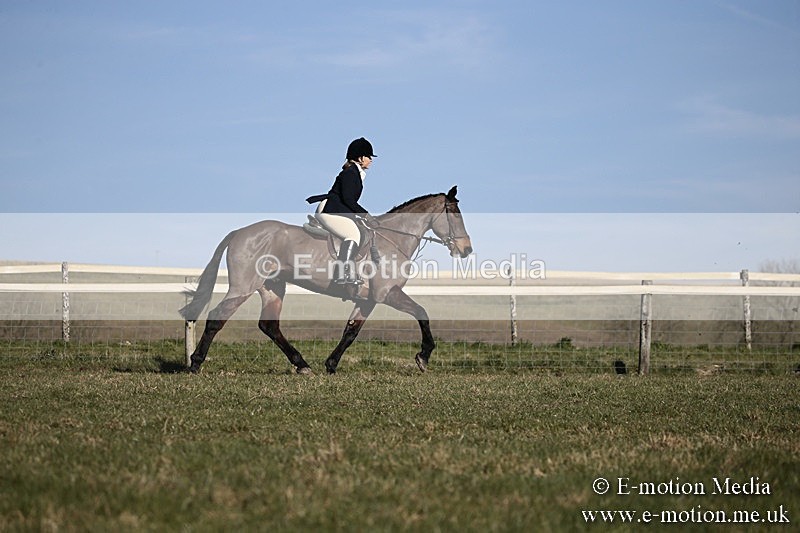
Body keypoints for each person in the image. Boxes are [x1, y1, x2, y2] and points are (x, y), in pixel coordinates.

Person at [306, 137, 378, 288]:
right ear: (360, 158)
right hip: (330, 210)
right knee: (353, 235)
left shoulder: (355, 173)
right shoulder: (351, 173)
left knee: (359, 229)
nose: (371, 160)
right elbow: (348, 200)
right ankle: (341, 273)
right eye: (368, 157)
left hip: (337, 209)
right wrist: (366, 215)